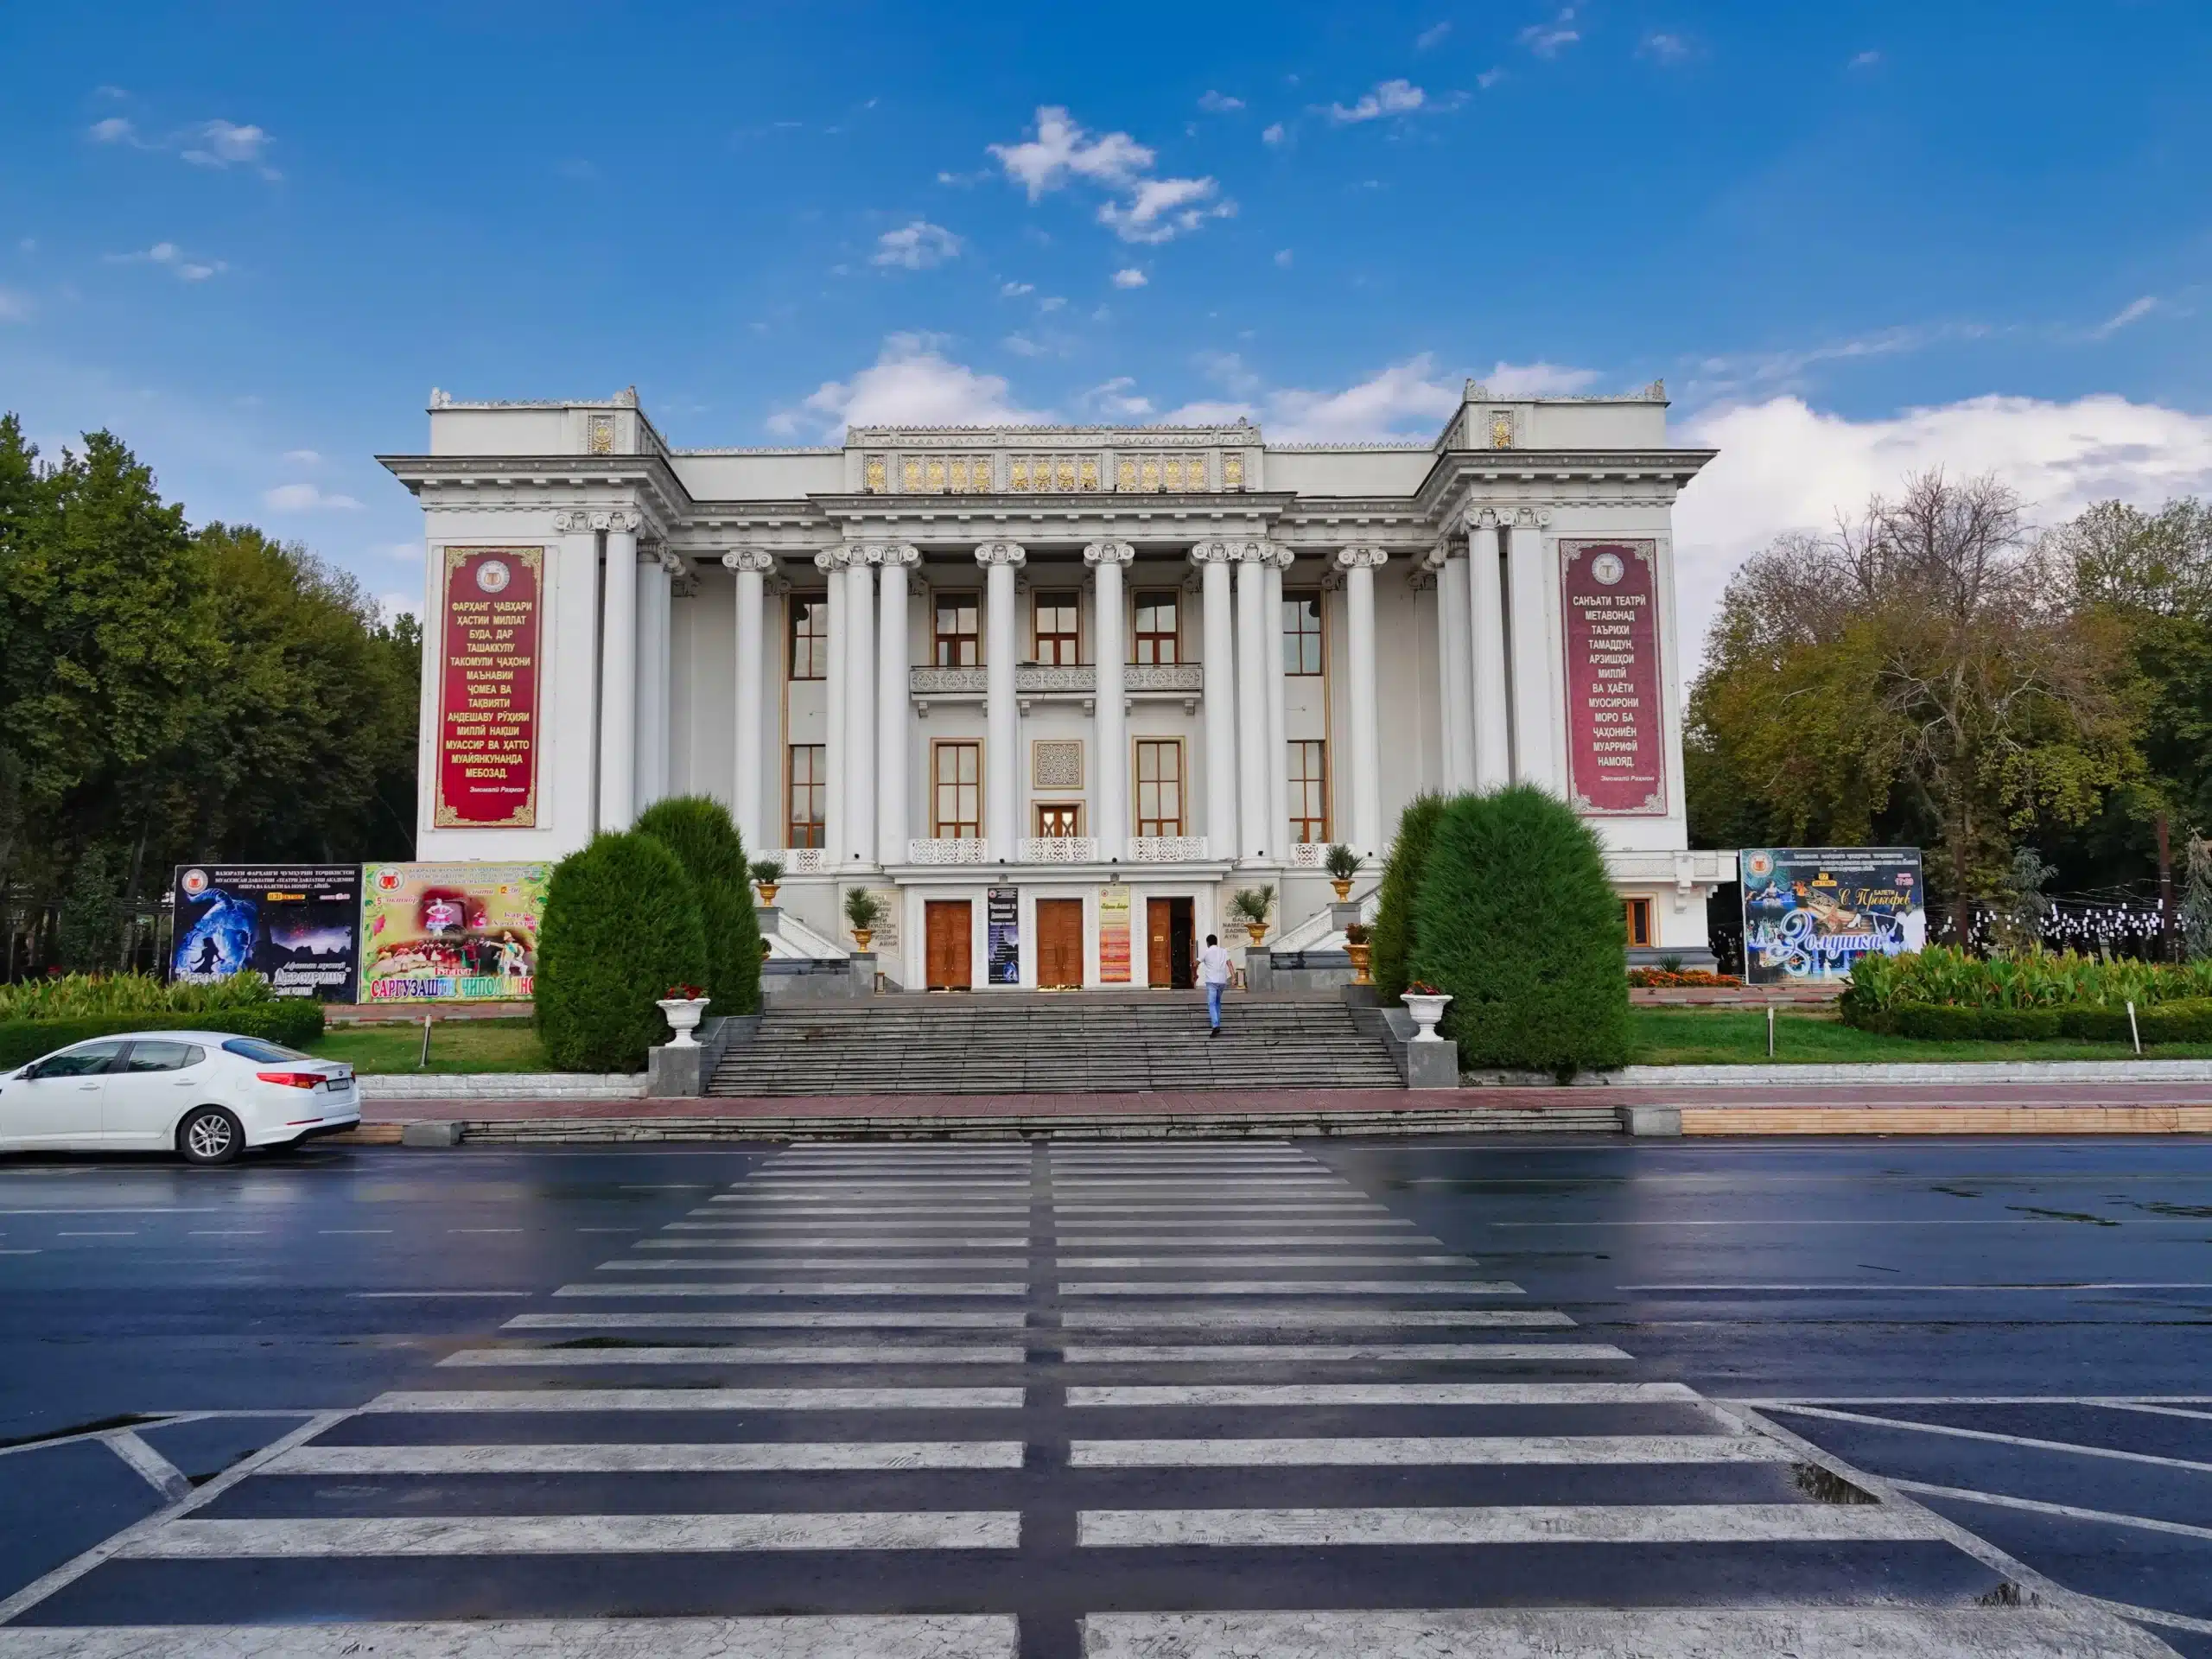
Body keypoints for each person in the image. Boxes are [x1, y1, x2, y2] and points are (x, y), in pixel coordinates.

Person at [1198, 931, 1232, 1035]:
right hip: (1222, 981)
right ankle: (1217, 1022)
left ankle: (1215, 1025)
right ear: (1216, 942)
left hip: (1211, 982)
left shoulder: (1206, 951)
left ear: (1208, 943)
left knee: (1212, 1003)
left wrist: (1194, 974)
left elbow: (1195, 963)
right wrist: (1234, 977)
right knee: (1217, 1002)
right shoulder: (1224, 951)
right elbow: (1230, 964)